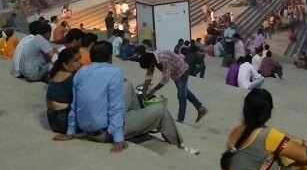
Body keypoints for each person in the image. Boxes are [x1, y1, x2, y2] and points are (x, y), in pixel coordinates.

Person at [57, 41, 195, 154]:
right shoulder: (114, 72)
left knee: (127, 85)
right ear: (110, 57)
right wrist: (118, 138)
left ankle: (137, 115)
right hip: (106, 132)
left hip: (86, 128)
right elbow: (115, 107)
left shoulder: (81, 72)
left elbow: (75, 105)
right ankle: (178, 147)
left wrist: (70, 132)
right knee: (161, 111)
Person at [139, 50, 209, 123]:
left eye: (149, 66)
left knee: (181, 95)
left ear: (152, 61)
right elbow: (149, 75)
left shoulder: (164, 60)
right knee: (185, 92)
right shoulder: (151, 59)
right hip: (174, 73)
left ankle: (180, 119)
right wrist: (144, 90)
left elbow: (165, 80)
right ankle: (200, 108)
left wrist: (153, 90)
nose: (150, 67)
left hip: (182, 70)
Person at [46, 47, 82, 135]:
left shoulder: (57, 74)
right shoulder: (72, 79)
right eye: (76, 60)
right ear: (65, 65)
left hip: (52, 120)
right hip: (64, 122)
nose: (80, 63)